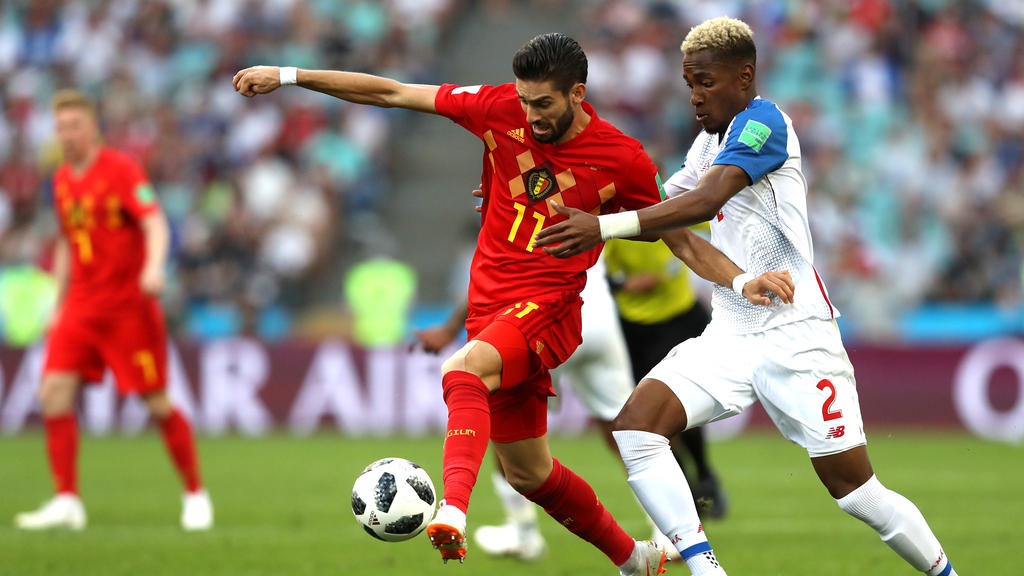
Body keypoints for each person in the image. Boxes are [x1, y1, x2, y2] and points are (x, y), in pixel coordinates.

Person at [234, 32, 792, 574]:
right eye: (525, 101)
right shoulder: (498, 108)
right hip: (489, 308)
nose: (531, 115)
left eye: (544, 103)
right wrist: (288, 76)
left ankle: (451, 508)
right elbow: (393, 92)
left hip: (549, 308)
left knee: (462, 372)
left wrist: (741, 282)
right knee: (530, 474)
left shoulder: (621, 158)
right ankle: (634, 559)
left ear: (578, 94)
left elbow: (680, 237)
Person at [532, 17, 958, 576]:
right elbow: (663, 213)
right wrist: (533, 195)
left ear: (744, 75)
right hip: (731, 331)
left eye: (705, 82)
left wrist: (606, 227)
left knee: (855, 491)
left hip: (795, 332)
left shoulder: (764, 126)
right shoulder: (708, 142)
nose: (694, 97)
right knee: (636, 428)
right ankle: (707, 569)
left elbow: (704, 202)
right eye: (689, 83)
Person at [15, 90, 212, 532]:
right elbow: (67, 242)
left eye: (74, 126)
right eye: (60, 127)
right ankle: (67, 500)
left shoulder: (120, 169)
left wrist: (154, 267)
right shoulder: (62, 180)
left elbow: (154, 221)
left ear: (93, 127)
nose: (66, 135)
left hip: (128, 307)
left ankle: (195, 493)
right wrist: (57, 301)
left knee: (156, 402)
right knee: (52, 394)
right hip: (82, 306)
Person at [417, 254, 678, 562]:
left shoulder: (515, 209)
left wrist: (450, 328)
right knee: (624, 429)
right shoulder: (593, 205)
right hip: (597, 318)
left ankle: (523, 531)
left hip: (540, 319)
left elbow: (491, 273)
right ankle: (670, 531)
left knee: (503, 414)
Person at [603, 237, 727, 519]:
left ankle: (705, 475)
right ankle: (687, 489)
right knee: (653, 417)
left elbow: (709, 218)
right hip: (635, 330)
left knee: (685, 407)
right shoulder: (607, 221)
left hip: (681, 318)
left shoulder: (667, 204)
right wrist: (625, 284)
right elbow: (594, 275)